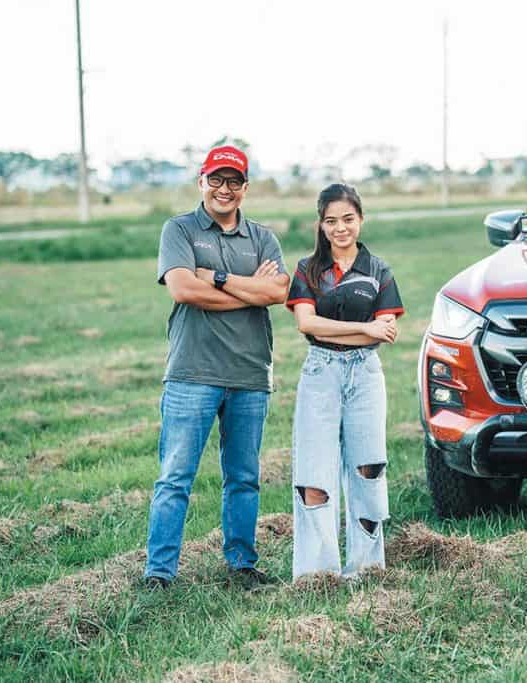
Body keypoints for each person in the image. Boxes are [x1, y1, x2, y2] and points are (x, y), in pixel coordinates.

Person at [144, 145, 290, 589]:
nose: (224, 189)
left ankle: (242, 565)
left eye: (234, 181)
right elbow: (184, 290)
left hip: (250, 374)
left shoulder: (262, 238)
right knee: (175, 478)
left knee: (244, 478)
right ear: (201, 182)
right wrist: (249, 292)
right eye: (216, 179)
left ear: (245, 187)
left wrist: (218, 277)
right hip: (193, 373)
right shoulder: (180, 229)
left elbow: (278, 293)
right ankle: (159, 573)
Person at [286, 183, 404, 580]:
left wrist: (363, 332)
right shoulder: (307, 270)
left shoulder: (379, 270)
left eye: (348, 219)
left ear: (361, 219)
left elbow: (386, 330)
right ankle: (317, 575)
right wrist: (364, 328)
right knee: (314, 475)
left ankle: (366, 568)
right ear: (321, 225)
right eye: (331, 221)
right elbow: (307, 324)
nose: (340, 228)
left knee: (368, 468)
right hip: (320, 373)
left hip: (365, 375)